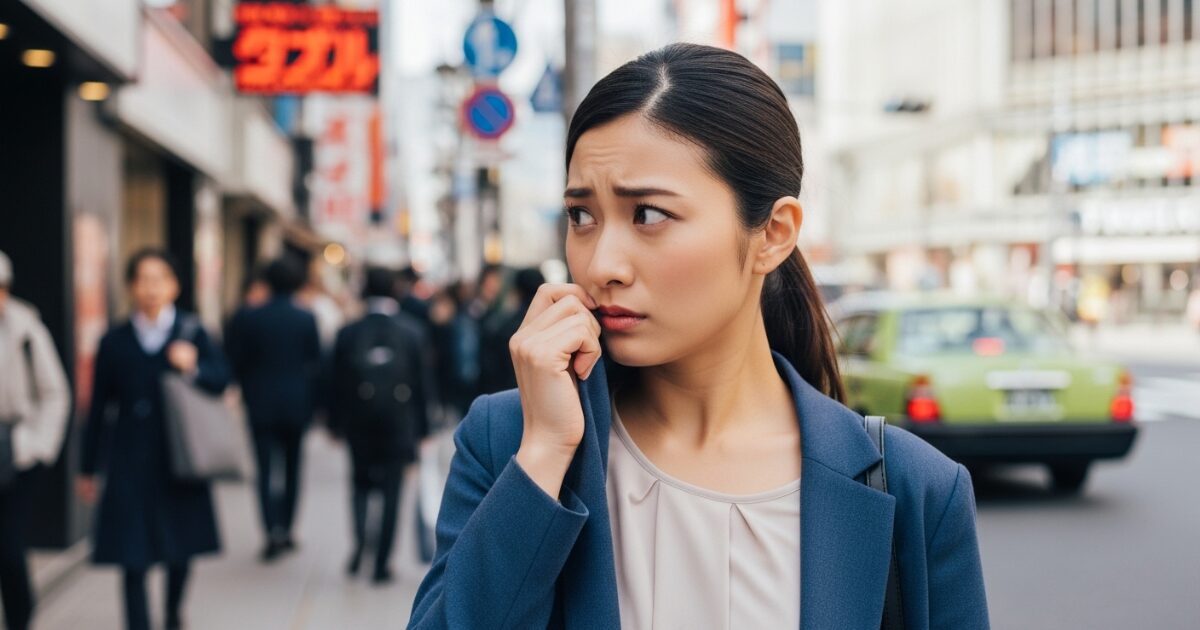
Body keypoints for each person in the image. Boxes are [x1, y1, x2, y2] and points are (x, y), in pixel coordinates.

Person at [409, 44, 988, 630]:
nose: (602, 262)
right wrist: (543, 457)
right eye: (582, 216)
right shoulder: (509, 441)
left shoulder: (916, 490)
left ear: (773, 233)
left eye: (650, 215)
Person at [78, 249, 230, 630]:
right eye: (142, 280)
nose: (151, 288)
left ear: (174, 286)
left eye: (159, 279)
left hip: (180, 455)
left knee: (181, 550)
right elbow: (97, 406)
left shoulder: (193, 333)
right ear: (130, 286)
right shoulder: (114, 340)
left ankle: (174, 612)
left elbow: (221, 381)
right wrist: (87, 466)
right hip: (129, 459)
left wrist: (193, 365)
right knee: (132, 556)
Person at [328, 268, 431, 584]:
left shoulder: (348, 332)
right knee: (392, 490)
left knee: (359, 484)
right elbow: (423, 383)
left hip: (358, 420)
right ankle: (382, 562)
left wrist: (335, 423)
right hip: (399, 422)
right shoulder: (412, 331)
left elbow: (334, 382)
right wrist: (424, 429)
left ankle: (361, 544)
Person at [229, 255, 322, 561]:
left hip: (260, 402)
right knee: (293, 468)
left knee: (265, 469)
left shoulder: (249, 317)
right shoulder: (305, 318)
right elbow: (315, 363)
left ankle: (270, 531)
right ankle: (288, 528)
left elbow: (237, 362)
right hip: (297, 403)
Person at [0, 250, 70, 630]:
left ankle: (19, 620)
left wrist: (40, 446)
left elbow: (55, 394)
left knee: (10, 550)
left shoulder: (27, 330)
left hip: (18, 452)